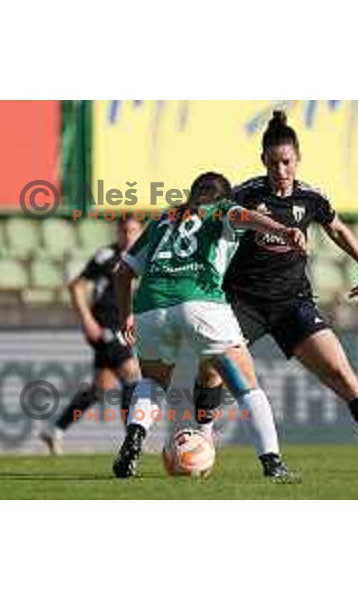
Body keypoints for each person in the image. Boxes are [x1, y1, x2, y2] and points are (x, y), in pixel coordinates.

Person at [192, 111, 358, 477]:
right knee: (211, 367)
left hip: (292, 304)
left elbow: (338, 230)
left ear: (297, 160)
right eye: (273, 163)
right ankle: (203, 445)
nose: (280, 169)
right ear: (263, 161)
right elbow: (212, 225)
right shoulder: (246, 194)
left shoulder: (311, 198)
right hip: (243, 302)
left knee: (341, 372)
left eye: (286, 162)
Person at [112, 172, 305, 480]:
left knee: (153, 383)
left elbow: (122, 272)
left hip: (151, 307)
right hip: (201, 304)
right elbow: (248, 217)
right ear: (223, 196)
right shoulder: (223, 210)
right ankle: (272, 464)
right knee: (247, 386)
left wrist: (126, 316)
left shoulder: (166, 217)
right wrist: (284, 230)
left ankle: (134, 438)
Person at [40, 216, 142, 455]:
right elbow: (76, 286)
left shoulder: (139, 258)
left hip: (120, 328)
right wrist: (87, 320)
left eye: (133, 231)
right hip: (105, 327)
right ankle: (133, 440)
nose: (128, 236)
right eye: (124, 231)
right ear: (117, 232)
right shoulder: (107, 257)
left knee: (100, 388)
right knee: (131, 375)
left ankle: (55, 430)